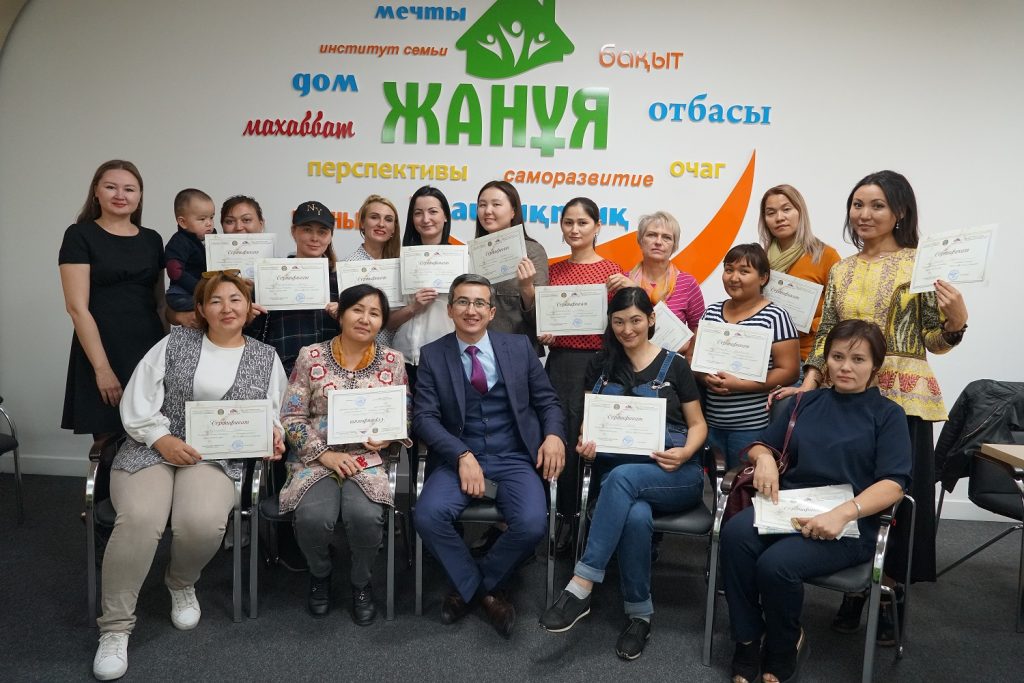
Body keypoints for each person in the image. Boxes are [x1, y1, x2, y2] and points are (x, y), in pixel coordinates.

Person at [772, 170, 968, 643]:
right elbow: (826, 335)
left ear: (899, 212)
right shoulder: (842, 269)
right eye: (857, 204)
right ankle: (855, 589)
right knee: (848, 489)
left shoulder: (921, 264)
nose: (864, 214)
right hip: (845, 399)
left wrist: (957, 320)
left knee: (895, 497)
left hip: (903, 397)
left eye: (877, 205)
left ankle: (889, 592)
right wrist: (808, 385)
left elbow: (933, 339)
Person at [90, 270, 287, 681]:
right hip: (151, 448)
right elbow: (137, 401)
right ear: (201, 309)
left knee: (201, 522)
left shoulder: (266, 357)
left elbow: (276, 413)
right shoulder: (173, 343)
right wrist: (161, 439)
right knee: (140, 519)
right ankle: (115, 628)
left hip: (216, 457)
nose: (227, 308)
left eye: (235, 299)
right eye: (216, 300)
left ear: (249, 308)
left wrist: (273, 435)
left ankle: (180, 582)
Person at [721, 319, 911, 683]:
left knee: (776, 565)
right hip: (791, 506)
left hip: (850, 523)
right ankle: (747, 638)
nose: (845, 367)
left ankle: (784, 644)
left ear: (875, 365)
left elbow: (893, 485)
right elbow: (761, 445)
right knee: (734, 535)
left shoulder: (888, 415)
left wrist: (842, 514)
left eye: (858, 359)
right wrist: (764, 459)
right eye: (837, 357)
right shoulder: (805, 402)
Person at [539, 287, 708, 661]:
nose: (627, 329)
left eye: (635, 320)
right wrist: (585, 442)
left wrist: (685, 453)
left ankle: (582, 583)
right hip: (619, 478)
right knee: (634, 515)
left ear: (651, 319)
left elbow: (698, 425)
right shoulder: (601, 365)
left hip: (675, 474)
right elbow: (589, 423)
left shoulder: (676, 365)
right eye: (618, 321)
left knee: (621, 480)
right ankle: (640, 616)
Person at [412, 274, 565, 638]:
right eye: (463, 302)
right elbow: (424, 418)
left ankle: (472, 585)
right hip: (459, 457)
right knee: (427, 516)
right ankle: (488, 594)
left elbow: (548, 401)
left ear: (492, 312)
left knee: (532, 523)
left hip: (513, 456)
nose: (472, 310)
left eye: (480, 303)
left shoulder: (518, 347)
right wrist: (460, 454)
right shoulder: (432, 354)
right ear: (450, 310)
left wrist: (554, 436)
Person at [280, 284, 411, 624]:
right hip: (315, 459)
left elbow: (406, 414)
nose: (365, 319)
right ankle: (320, 573)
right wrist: (323, 454)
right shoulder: (310, 356)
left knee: (365, 517)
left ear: (382, 322)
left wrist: (388, 436)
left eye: (375, 313)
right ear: (341, 314)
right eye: (357, 310)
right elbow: (291, 416)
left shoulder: (394, 361)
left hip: (367, 460)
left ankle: (361, 582)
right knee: (312, 518)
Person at [59, 160, 166, 446]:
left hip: (148, 348)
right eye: (111, 187)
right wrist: (102, 369)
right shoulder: (79, 235)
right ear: (96, 191)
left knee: (153, 435)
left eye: (129, 189)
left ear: (139, 195)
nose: (120, 195)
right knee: (108, 440)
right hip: (102, 348)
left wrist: (168, 356)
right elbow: (77, 309)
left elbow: (160, 304)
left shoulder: (152, 239)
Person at [539, 197, 623, 553]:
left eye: (583, 223)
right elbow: (543, 320)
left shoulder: (613, 272)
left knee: (585, 439)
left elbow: (624, 326)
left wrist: (626, 289)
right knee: (555, 433)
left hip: (598, 365)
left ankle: (583, 521)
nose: (575, 229)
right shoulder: (553, 271)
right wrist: (544, 333)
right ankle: (556, 516)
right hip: (559, 363)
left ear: (597, 226)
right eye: (568, 222)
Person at [690, 244, 800, 468]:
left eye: (744, 271)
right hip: (711, 424)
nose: (733, 277)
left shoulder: (776, 316)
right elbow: (692, 358)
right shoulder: (711, 312)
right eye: (729, 270)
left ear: (763, 278)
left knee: (742, 483)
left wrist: (740, 384)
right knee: (712, 483)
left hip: (752, 427)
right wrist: (704, 377)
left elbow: (789, 371)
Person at [248, 200, 340, 375]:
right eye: (307, 230)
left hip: (330, 376)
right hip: (280, 372)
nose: (315, 238)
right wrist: (248, 316)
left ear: (330, 237)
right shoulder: (270, 276)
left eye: (322, 232)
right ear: (293, 232)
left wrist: (344, 316)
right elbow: (252, 332)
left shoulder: (340, 282)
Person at [758, 185, 841, 361]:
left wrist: (809, 325)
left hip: (808, 357)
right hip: (764, 356)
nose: (779, 218)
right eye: (771, 213)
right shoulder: (760, 259)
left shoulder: (825, 255)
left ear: (800, 212)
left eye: (786, 209)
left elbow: (841, 309)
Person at [388, 186, 456, 393]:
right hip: (404, 359)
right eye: (418, 213)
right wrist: (413, 307)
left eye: (433, 211)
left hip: (447, 359)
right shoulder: (400, 262)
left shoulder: (461, 261)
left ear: (445, 216)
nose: (426, 219)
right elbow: (388, 323)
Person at [474, 180, 549, 353]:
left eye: (496, 204)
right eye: (482, 205)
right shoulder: (471, 253)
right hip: (475, 350)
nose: (488, 211)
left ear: (513, 211)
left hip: (516, 351)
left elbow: (542, 319)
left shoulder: (532, 251)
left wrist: (526, 287)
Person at [607, 211, 705, 337]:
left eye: (666, 237)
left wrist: (636, 290)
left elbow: (699, 328)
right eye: (652, 235)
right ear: (640, 241)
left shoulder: (687, 283)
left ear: (674, 246)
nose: (658, 242)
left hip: (671, 350)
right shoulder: (622, 281)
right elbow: (612, 326)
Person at [341, 194, 402, 348]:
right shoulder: (347, 266)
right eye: (374, 217)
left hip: (396, 352)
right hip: (358, 351)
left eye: (388, 220)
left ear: (394, 228)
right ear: (362, 223)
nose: (381, 224)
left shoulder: (401, 266)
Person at [164, 188, 216, 313]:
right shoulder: (179, 242)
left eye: (211, 217)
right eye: (202, 219)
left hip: (206, 292)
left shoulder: (214, 238)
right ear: (183, 222)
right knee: (213, 305)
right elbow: (174, 271)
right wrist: (200, 289)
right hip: (181, 294)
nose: (209, 223)